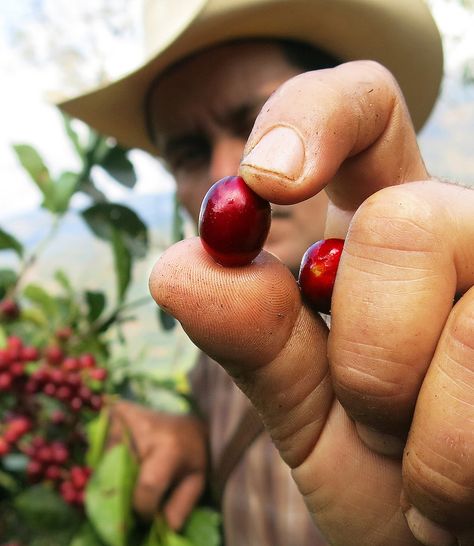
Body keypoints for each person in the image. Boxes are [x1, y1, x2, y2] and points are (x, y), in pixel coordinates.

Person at [59, 1, 474, 545]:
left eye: (256, 122)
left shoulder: (445, 327)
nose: (220, 171)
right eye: (187, 152)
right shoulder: (215, 360)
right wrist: (195, 443)